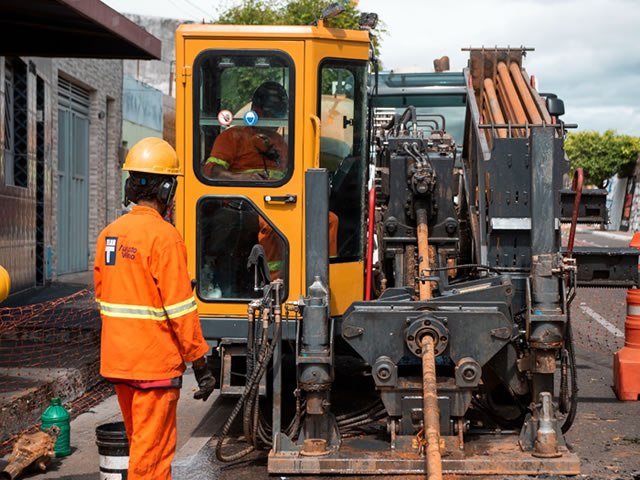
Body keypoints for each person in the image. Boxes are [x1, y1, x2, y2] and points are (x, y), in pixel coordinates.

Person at [94, 137, 216, 480]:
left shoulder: (110, 235)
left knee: (140, 446)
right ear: (166, 189)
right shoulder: (165, 237)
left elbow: (104, 300)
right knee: (152, 458)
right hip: (154, 368)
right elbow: (180, 309)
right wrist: (200, 362)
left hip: (119, 364)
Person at [203, 80, 289, 181]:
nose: (274, 124)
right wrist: (241, 178)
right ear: (257, 111)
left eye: (278, 118)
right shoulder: (232, 137)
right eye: (271, 117)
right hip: (240, 195)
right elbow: (212, 171)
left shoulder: (280, 142)